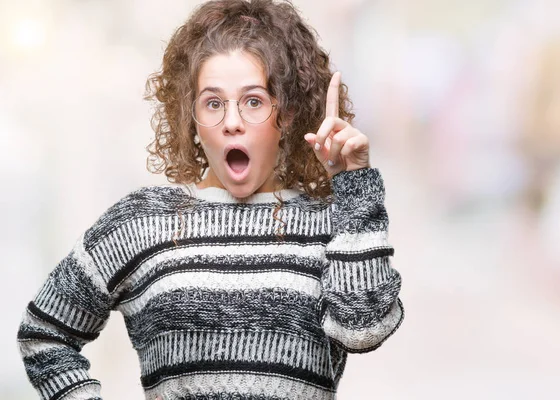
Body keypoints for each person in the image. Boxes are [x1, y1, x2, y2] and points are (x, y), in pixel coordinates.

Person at [17, 0, 404, 399]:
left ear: (285, 114)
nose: (232, 121)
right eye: (214, 103)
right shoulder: (142, 224)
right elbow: (44, 334)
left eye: (253, 101)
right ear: (192, 117)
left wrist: (355, 185)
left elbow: (365, 328)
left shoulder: (330, 225)